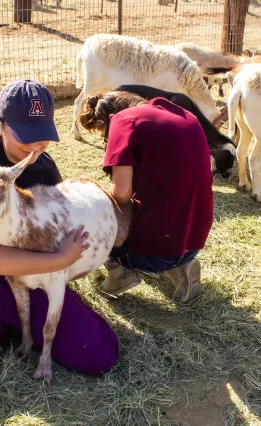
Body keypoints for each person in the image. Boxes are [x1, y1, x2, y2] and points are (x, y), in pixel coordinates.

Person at [0, 80, 118, 403]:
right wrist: (61, 260)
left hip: (33, 281)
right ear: (0, 125)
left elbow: (62, 223)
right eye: (24, 133)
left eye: (41, 131)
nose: (35, 144)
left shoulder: (42, 168)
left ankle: (15, 327)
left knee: (101, 353)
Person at [77, 90, 214, 302]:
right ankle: (180, 268)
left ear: (111, 119)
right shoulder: (186, 116)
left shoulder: (123, 121)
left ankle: (120, 273)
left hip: (155, 253)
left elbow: (121, 194)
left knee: (97, 210)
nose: (107, 143)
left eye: (106, 136)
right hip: (194, 242)